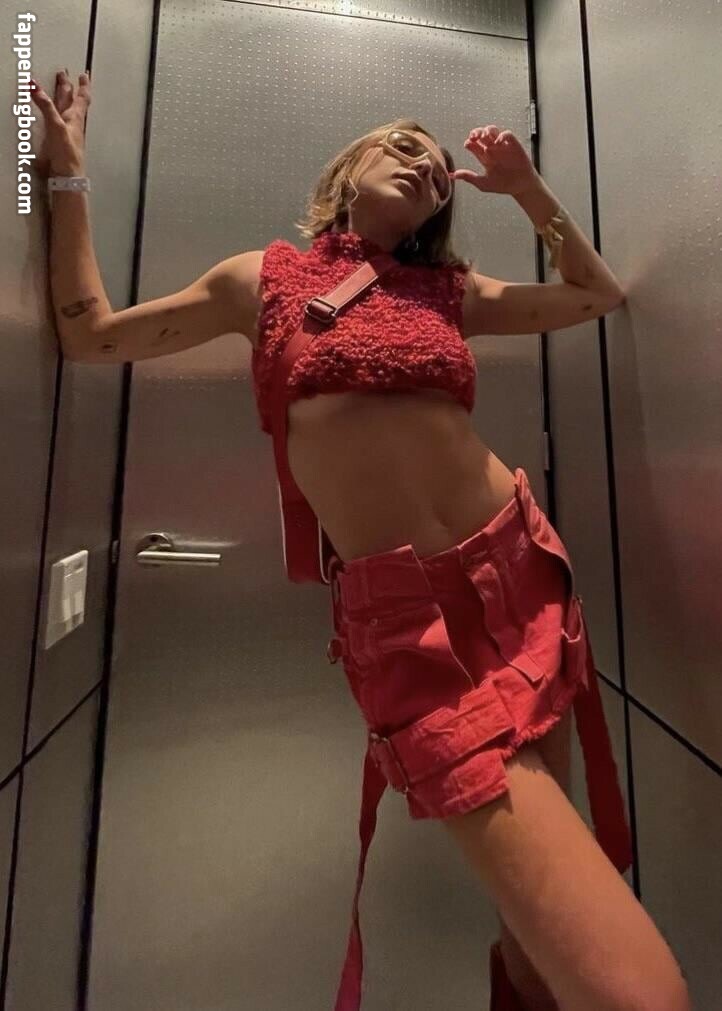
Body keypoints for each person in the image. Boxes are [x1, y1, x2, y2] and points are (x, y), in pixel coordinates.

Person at [31, 69, 690, 1011]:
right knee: (637, 992)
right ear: (349, 170)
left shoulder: (447, 291)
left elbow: (597, 293)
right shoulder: (262, 279)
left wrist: (527, 190)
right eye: (404, 145)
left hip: (523, 577)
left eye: (440, 168)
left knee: (538, 945)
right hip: (416, 635)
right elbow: (91, 335)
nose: (426, 164)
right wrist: (63, 172)